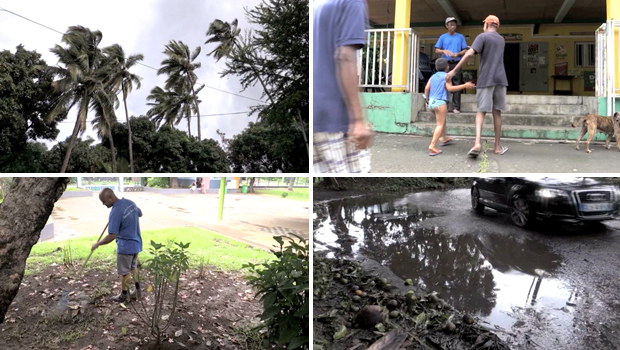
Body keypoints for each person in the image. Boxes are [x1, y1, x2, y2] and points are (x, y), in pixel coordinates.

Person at [313, 0, 374, 173]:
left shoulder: (318, 5)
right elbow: (345, 56)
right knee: (358, 173)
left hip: (316, 117)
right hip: (336, 119)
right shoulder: (352, 2)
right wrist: (358, 121)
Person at [446, 15, 508, 157]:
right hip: (501, 79)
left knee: (481, 111)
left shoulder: (482, 37)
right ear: (497, 26)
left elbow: (469, 54)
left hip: (486, 78)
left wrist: (454, 70)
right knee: (497, 112)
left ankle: (477, 144)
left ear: (486, 24)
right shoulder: (501, 39)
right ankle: (497, 147)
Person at [91, 188, 143, 302]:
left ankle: (124, 296)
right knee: (133, 268)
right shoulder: (130, 203)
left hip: (126, 247)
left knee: (125, 273)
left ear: (110, 197)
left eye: (104, 201)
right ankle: (138, 292)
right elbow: (140, 213)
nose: (103, 204)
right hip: (136, 245)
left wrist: (98, 243)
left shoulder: (115, 212)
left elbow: (112, 235)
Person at [425, 58, 475, 156]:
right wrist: (464, 85)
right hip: (440, 103)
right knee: (439, 124)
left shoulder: (433, 76)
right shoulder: (447, 76)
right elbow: (450, 88)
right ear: (447, 67)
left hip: (431, 102)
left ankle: (444, 138)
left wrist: (427, 100)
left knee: (442, 121)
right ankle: (432, 146)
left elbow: (427, 88)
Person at [435, 17, 469, 114]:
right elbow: (436, 50)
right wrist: (443, 51)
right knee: (443, 84)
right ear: (446, 26)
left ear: (456, 26)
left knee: (456, 84)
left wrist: (457, 54)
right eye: (450, 25)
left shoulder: (460, 37)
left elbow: (465, 50)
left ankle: (456, 107)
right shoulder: (442, 37)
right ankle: (442, 105)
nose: (452, 26)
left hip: (456, 63)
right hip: (444, 64)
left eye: (454, 24)